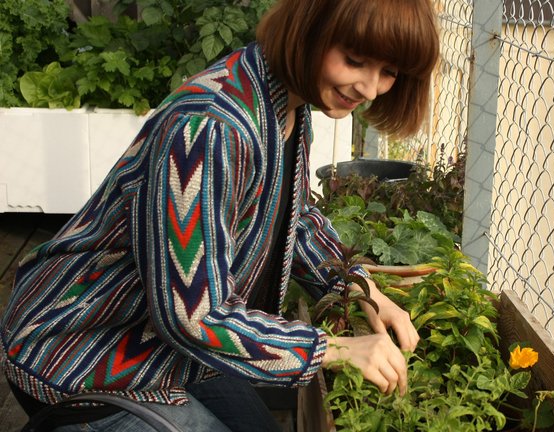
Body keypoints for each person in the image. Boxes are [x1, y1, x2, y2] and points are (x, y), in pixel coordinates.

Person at [0, 0, 440, 430]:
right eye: (355, 59)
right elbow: (193, 315)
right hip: (79, 349)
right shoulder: (211, 127)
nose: (368, 87)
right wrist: (336, 350)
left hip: (155, 342)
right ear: (309, 28)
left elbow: (295, 217)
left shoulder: (285, 98)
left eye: (388, 72)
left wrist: (362, 289)